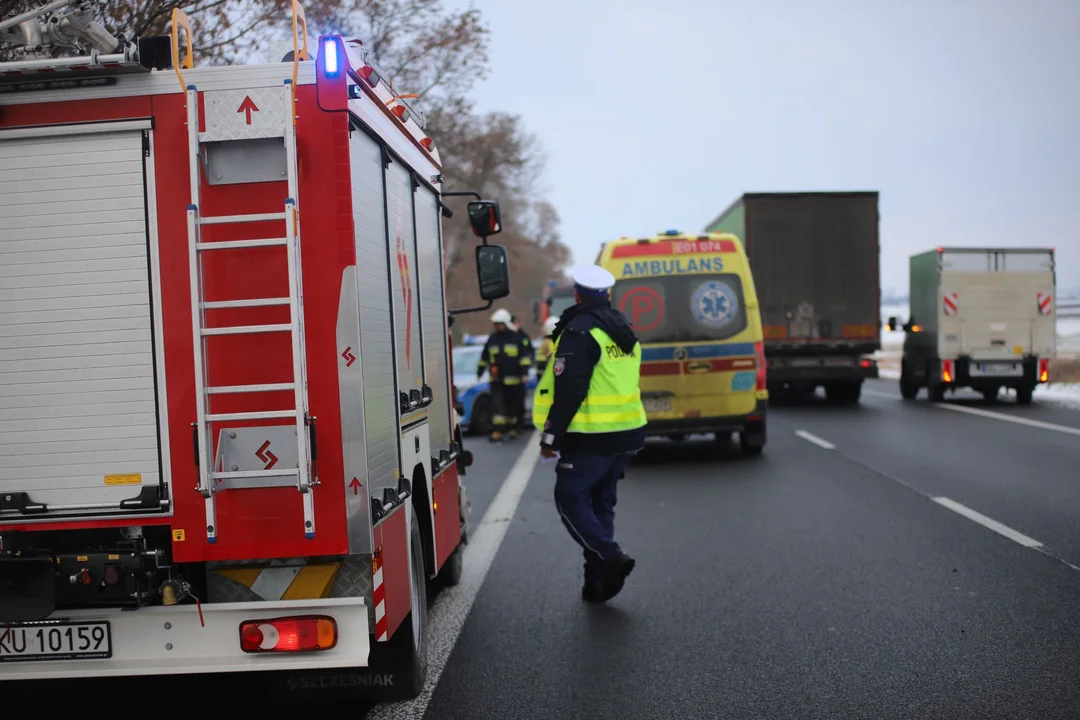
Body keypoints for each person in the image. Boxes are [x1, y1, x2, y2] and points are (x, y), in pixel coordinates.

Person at [531, 265, 647, 603]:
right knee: (600, 504)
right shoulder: (623, 330)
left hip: (592, 435)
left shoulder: (580, 332)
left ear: (578, 295)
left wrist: (551, 437)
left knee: (569, 499)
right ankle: (596, 584)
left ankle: (611, 558)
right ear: (607, 295)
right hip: (627, 433)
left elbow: (570, 390)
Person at [477, 308, 532, 442]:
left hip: (515, 381)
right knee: (497, 407)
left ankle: (513, 429)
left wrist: (524, 372)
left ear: (506, 323)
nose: (497, 326)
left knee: (513, 406)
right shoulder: (492, 339)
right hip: (496, 380)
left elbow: (524, 356)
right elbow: (485, 357)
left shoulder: (516, 338)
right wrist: (480, 371)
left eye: (499, 324)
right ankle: (498, 431)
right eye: (495, 324)